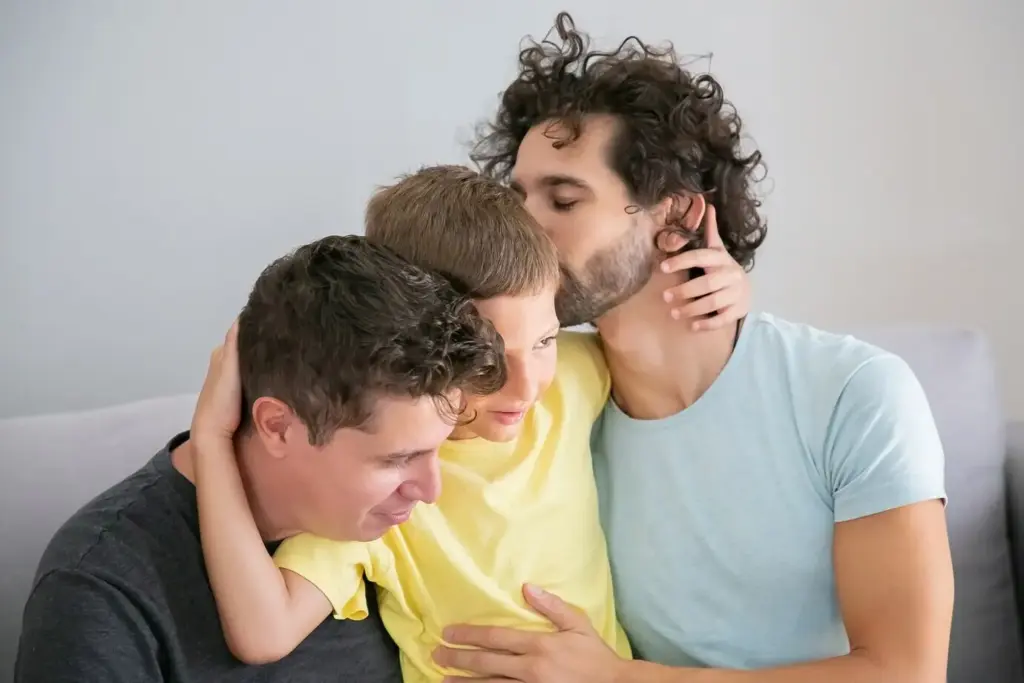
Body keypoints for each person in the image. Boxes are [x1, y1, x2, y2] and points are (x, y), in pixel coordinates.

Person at [434, 12, 954, 683]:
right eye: (518, 200)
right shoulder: (537, 397)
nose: (523, 231)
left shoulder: (853, 391)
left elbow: (906, 672)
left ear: (676, 217)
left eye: (563, 200)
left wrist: (620, 679)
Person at [189, 165, 752, 682]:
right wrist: (211, 440)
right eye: (490, 360)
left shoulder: (570, 380)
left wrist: (725, 287)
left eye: (545, 340)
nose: (527, 386)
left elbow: (664, 337)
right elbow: (264, 635)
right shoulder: (390, 492)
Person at [14, 234, 507, 682]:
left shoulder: (379, 530)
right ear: (277, 426)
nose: (430, 491)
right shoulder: (100, 588)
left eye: (437, 448)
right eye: (395, 460)